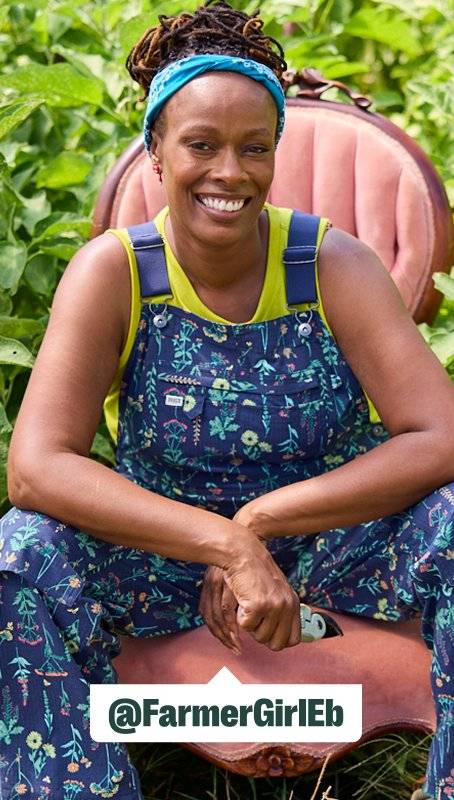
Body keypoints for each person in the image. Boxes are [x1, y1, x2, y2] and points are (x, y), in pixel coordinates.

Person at [0, 1, 453, 797]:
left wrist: (260, 524)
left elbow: (441, 435)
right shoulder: (114, 272)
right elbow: (36, 467)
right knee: (19, 551)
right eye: (201, 145)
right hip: (164, 558)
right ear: (155, 154)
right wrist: (218, 544)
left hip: (334, 545)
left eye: (255, 149)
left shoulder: (330, 263)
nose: (229, 174)